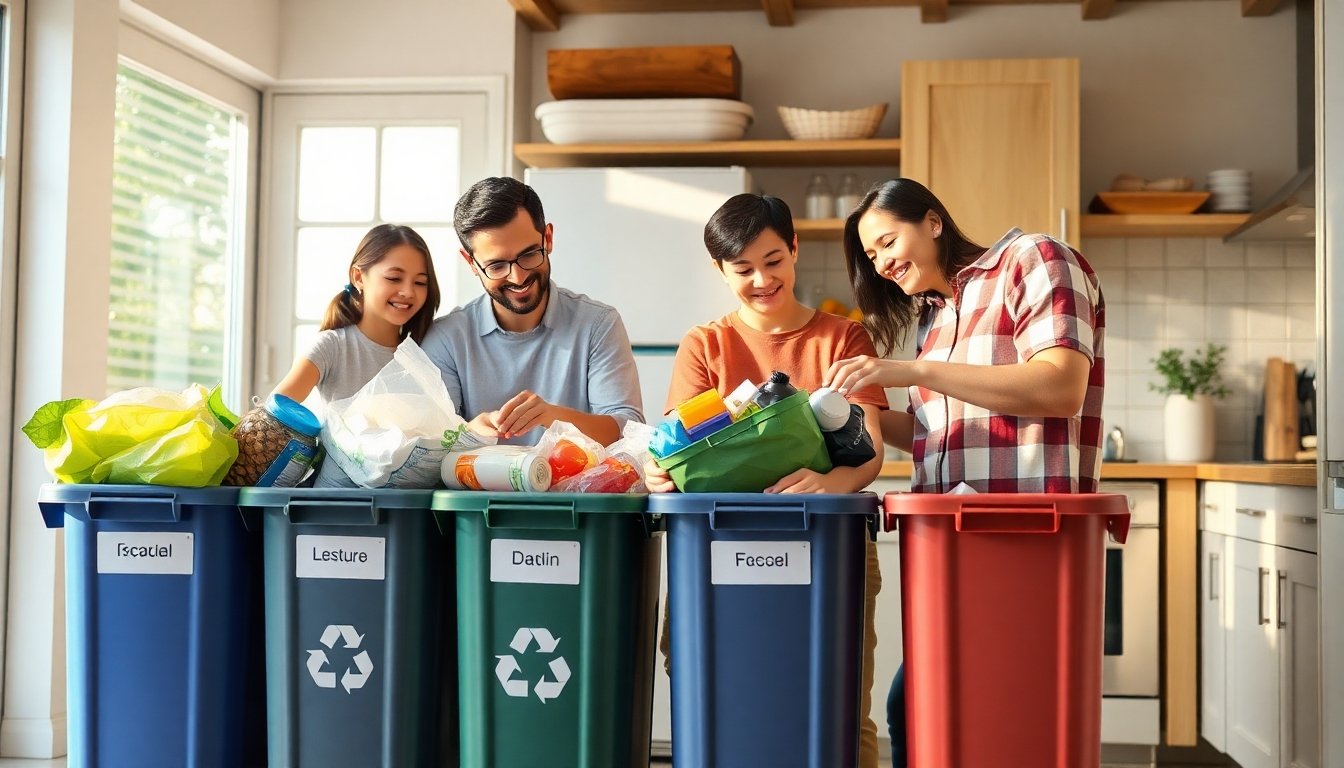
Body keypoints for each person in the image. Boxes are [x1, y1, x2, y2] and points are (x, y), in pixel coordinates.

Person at [824, 178, 1105, 768]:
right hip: (953, 548)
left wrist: (913, 372)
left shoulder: (1032, 258)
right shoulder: (937, 316)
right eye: (870, 257)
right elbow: (933, 434)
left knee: (1012, 707)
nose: (880, 263)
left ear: (932, 222)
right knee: (925, 705)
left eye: (887, 241)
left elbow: (1059, 386)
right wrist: (852, 416)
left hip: (1029, 538)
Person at [643, 193, 888, 768]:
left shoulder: (843, 340)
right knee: (721, 698)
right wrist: (660, 472)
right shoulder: (706, 345)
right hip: (715, 551)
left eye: (773, 260)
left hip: (830, 548)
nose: (761, 280)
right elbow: (679, 451)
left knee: (842, 707)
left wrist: (831, 484)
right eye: (743, 268)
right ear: (720, 271)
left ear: (795, 249)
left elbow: (870, 448)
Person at [421, 176, 643, 447]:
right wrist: (467, 433)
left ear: (547, 238)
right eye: (497, 265)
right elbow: (429, 448)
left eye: (529, 255)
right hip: (477, 490)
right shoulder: (446, 338)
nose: (518, 277)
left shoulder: (598, 324)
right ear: (471, 263)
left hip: (575, 490)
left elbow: (629, 433)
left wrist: (554, 416)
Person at [272, 223, 442, 487]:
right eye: (394, 278)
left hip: (404, 504)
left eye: (420, 282)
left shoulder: (423, 354)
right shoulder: (331, 346)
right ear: (358, 277)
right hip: (338, 498)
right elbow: (275, 416)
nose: (408, 291)